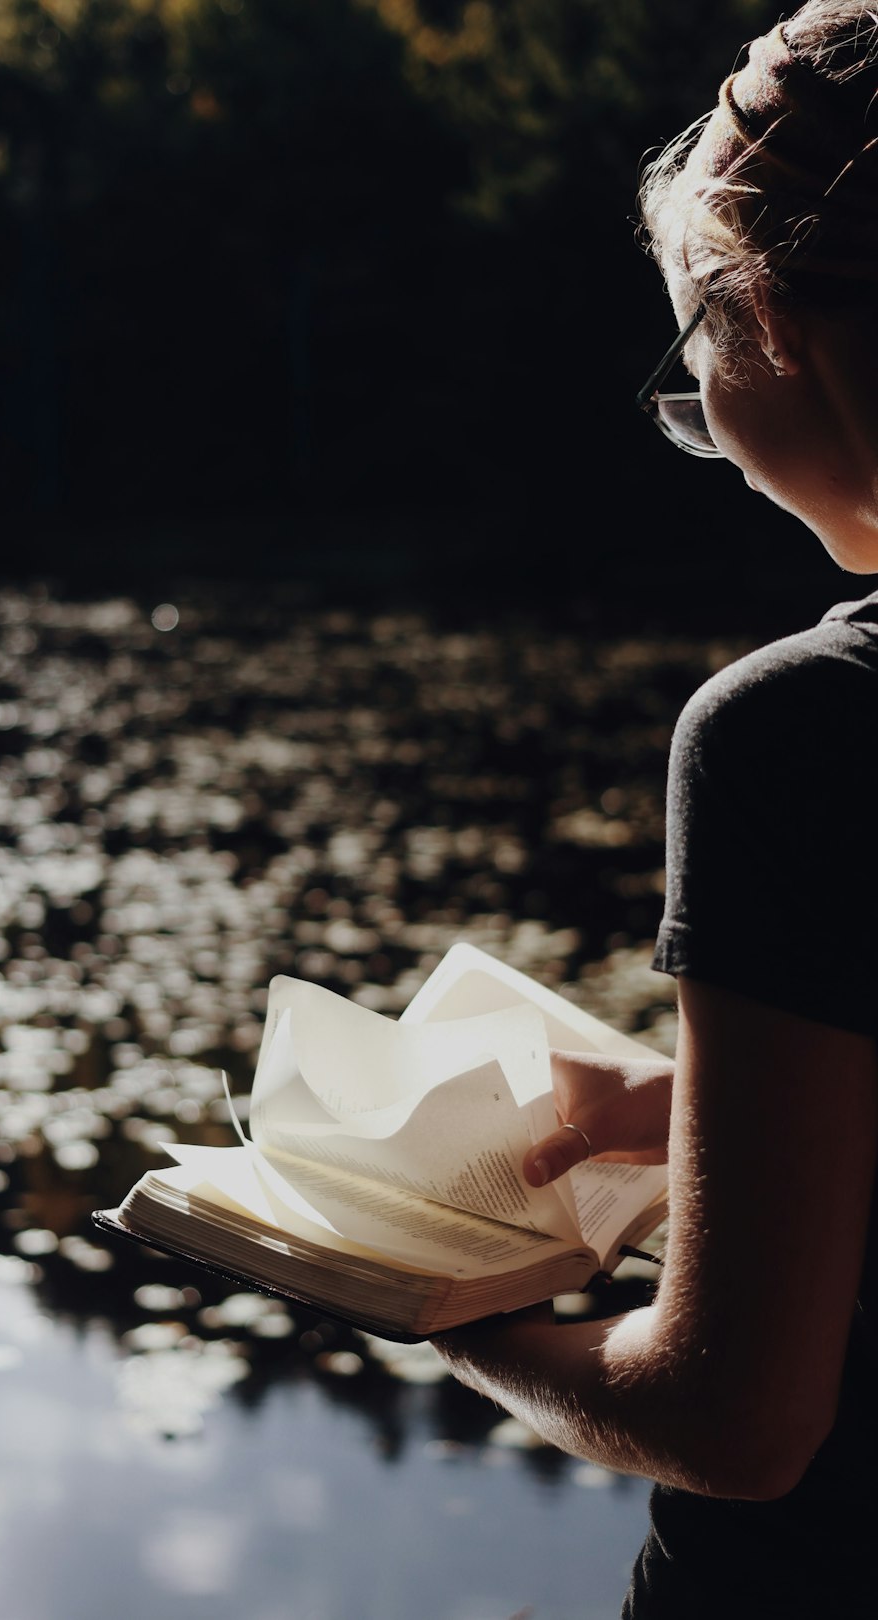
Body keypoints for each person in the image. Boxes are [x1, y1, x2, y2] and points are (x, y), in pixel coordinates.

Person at [431, 4, 878, 1615]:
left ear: (769, 319)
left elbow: (737, 1420)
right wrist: (687, 1104)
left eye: (690, 334)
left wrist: (454, 1321)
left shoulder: (804, 731)